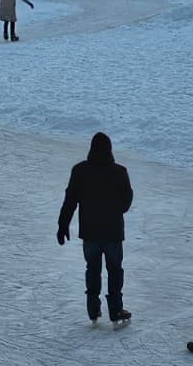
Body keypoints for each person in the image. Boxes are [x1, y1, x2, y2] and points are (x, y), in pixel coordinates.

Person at [56, 132, 134, 325]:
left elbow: (70, 200)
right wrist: (114, 212)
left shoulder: (80, 170)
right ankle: (115, 310)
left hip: (90, 232)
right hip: (113, 232)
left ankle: (93, 310)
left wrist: (62, 224)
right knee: (115, 270)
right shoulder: (119, 172)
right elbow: (126, 202)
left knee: (92, 269)